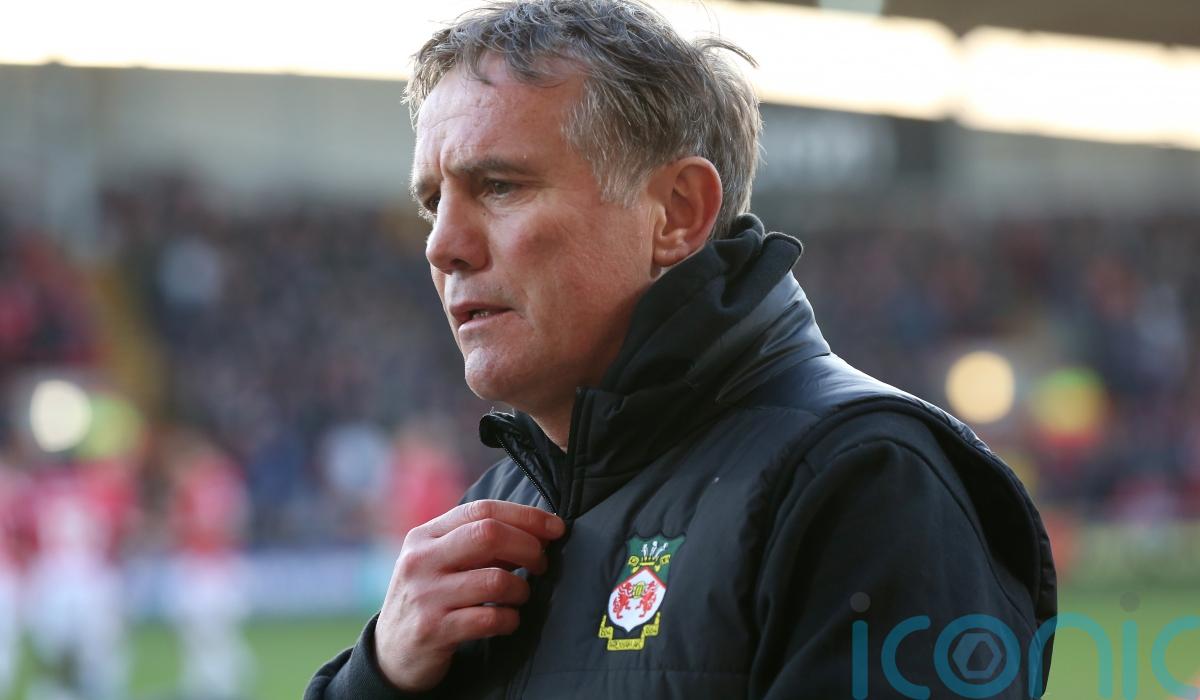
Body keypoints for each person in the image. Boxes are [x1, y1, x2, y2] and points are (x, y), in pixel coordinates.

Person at [307, 1, 1057, 698]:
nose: (442, 246)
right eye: (433, 203)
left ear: (676, 212)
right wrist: (377, 678)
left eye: (499, 186)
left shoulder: (868, 483)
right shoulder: (494, 511)